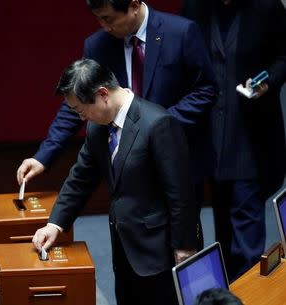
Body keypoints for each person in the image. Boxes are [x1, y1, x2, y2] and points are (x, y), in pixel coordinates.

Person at [32, 59, 197, 305]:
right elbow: (80, 178)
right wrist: (55, 224)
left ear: (102, 94)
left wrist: (184, 247)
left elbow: (181, 193)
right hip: (124, 248)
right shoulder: (97, 128)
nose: (81, 118)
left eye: (80, 110)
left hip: (161, 251)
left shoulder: (158, 123)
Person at [17, 0, 215, 185]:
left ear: (134, 5)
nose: (104, 26)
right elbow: (77, 103)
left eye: (108, 18)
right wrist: (42, 156)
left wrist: (158, 126)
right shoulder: (98, 45)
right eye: (99, 18)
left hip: (176, 155)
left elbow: (205, 90)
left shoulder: (181, 32)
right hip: (126, 162)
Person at [182, 0, 286, 281]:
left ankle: (250, 294)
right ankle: (227, 294)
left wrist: (269, 82)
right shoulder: (194, 7)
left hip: (250, 135)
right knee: (222, 229)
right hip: (210, 137)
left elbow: (283, 56)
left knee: (247, 233)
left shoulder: (267, 7)